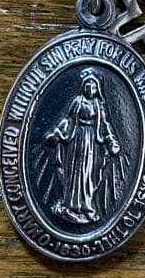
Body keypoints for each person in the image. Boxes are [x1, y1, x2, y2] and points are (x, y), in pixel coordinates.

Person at [45, 69, 121, 224]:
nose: (90, 89)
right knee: (74, 172)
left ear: (97, 89)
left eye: (93, 87)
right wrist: (57, 132)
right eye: (88, 86)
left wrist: (111, 140)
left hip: (91, 142)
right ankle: (69, 205)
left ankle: (86, 207)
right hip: (76, 140)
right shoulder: (77, 102)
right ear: (83, 87)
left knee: (88, 174)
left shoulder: (98, 105)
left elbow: (105, 125)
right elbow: (67, 119)